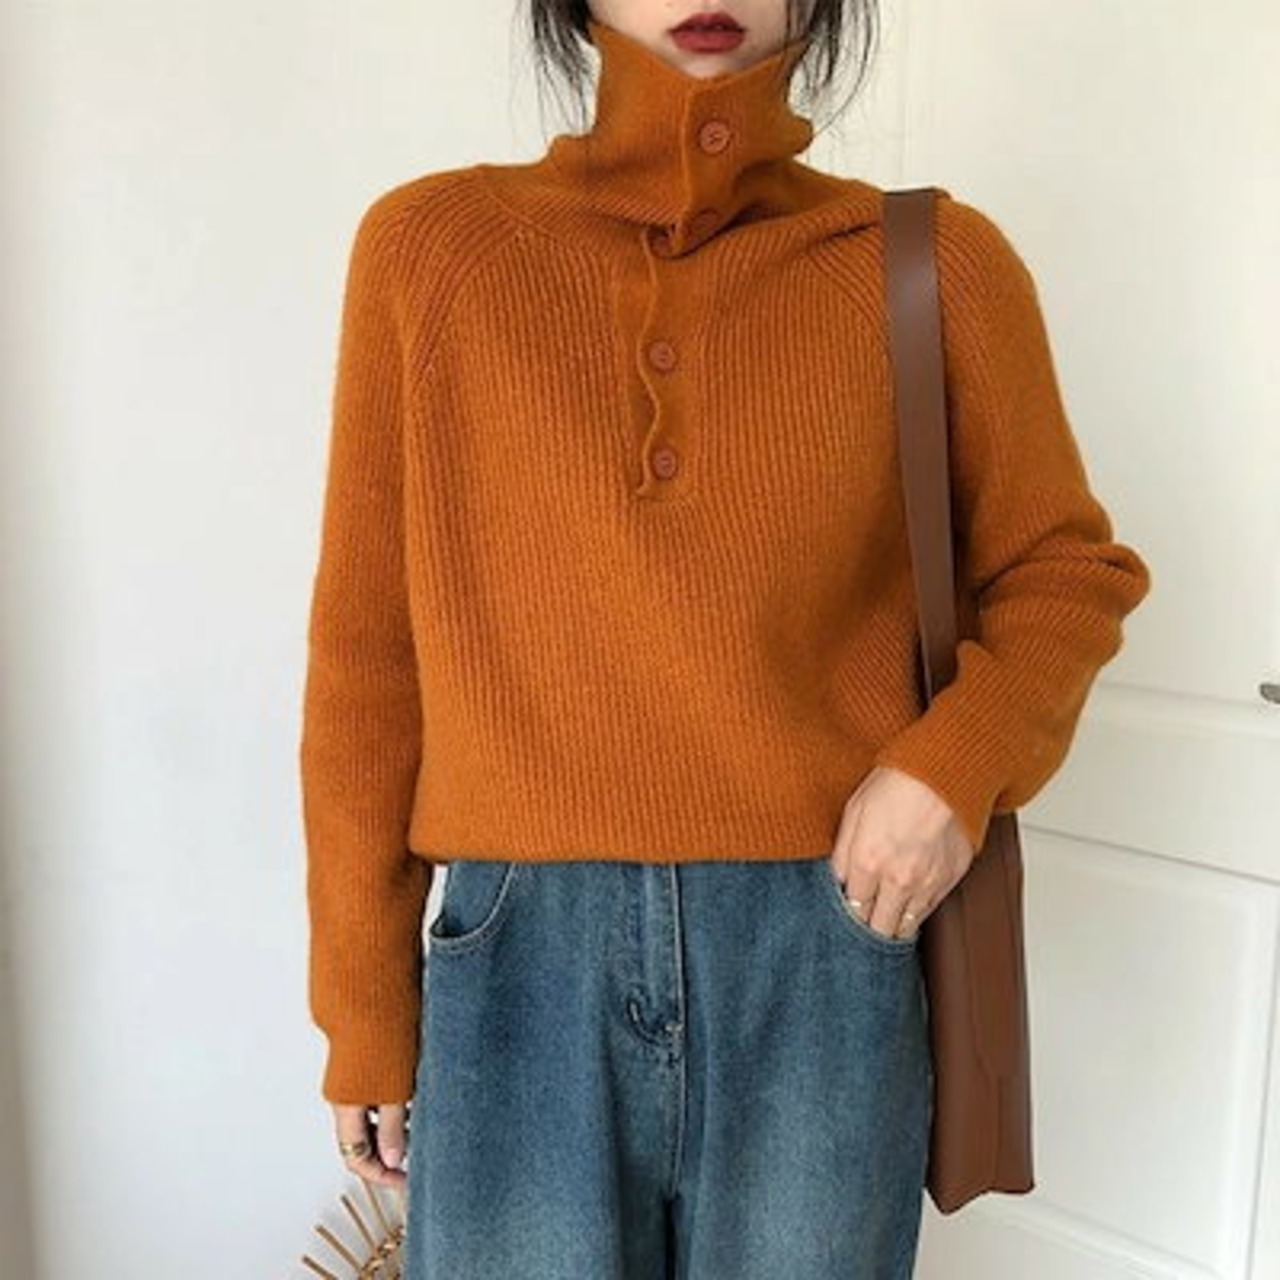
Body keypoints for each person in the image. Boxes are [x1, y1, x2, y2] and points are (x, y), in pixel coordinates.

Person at [298, 1, 1153, 1276]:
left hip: (821, 942)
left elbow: (1062, 574)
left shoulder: (931, 263)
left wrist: (948, 768)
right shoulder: (430, 250)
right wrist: (361, 1000)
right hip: (519, 953)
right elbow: (367, 655)